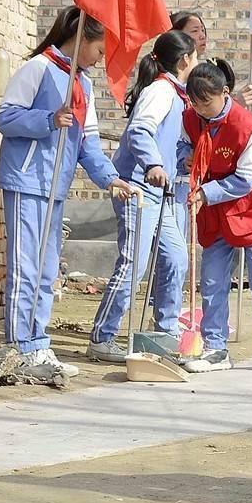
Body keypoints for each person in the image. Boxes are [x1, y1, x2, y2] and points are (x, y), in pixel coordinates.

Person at [0, 6, 134, 379]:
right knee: (26, 267)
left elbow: (87, 142)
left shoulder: (83, 83)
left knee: (46, 269)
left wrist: (109, 178)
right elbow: (4, 118)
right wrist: (47, 120)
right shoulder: (38, 68)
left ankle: (38, 343)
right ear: (82, 38)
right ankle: (19, 345)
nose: (100, 58)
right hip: (26, 180)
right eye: (100, 49)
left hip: (56, 185)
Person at [90, 29, 197, 364]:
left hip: (161, 192)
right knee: (133, 265)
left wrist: (183, 159)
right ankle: (102, 336)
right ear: (184, 61)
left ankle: (164, 329)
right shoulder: (160, 92)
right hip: (137, 188)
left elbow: (169, 142)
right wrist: (152, 162)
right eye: (196, 58)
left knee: (177, 256)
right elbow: (140, 131)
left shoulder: (178, 96)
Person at [183, 60, 252, 372]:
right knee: (213, 279)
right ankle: (215, 347)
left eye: (207, 102)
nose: (201, 109)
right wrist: (185, 159)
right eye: (195, 103)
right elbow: (180, 147)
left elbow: (245, 180)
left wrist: (206, 192)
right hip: (214, 209)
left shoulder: (247, 128)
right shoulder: (190, 119)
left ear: (224, 93)